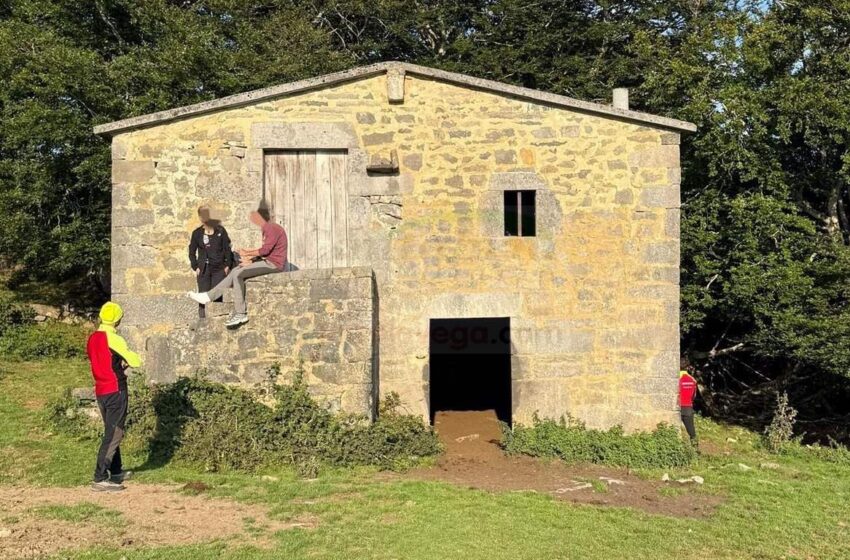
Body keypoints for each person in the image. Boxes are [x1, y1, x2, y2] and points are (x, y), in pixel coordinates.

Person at [187, 209, 287, 327]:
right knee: (236, 270)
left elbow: (265, 250)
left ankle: (241, 313)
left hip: (274, 264)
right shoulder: (267, 229)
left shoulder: (271, 228)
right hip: (267, 261)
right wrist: (251, 260)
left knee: (238, 274)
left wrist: (247, 253)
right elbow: (267, 252)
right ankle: (209, 296)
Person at [86, 302, 142, 492]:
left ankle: (116, 471)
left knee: (111, 429)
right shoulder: (114, 339)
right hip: (116, 389)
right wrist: (125, 361)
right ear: (118, 320)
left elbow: (99, 360)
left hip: (101, 389)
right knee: (114, 433)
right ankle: (100, 477)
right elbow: (135, 361)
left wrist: (117, 363)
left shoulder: (93, 338)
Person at [188, 206, 234, 319]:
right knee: (202, 296)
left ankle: (217, 321)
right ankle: (203, 322)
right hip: (203, 270)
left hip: (219, 269)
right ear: (200, 217)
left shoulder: (221, 231)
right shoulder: (197, 233)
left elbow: (227, 249)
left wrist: (227, 265)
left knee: (217, 296)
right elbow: (192, 251)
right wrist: (195, 266)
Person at [679, 358, 698, 444]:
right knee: (692, 432)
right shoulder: (692, 380)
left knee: (673, 431)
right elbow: (694, 396)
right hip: (688, 408)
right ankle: (695, 449)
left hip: (676, 407)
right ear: (687, 367)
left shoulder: (675, 379)